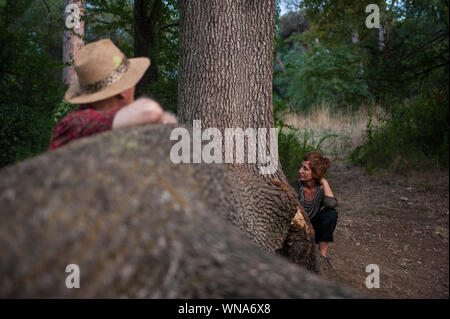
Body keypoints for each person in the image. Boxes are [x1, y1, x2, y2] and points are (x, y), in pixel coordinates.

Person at [49, 38, 176, 151]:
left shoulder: (96, 124)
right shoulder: (75, 123)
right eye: (132, 80)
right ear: (123, 92)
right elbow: (150, 111)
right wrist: (162, 117)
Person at [290, 151, 338, 265]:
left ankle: (323, 255)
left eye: (305, 169)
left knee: (331, 213)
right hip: (297, 230)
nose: (300, 171)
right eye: (301, 167)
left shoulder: (320, 189)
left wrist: (324, 182)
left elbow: (331, 204)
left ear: (315, 173)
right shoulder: (295, 186)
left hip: (313, 229)